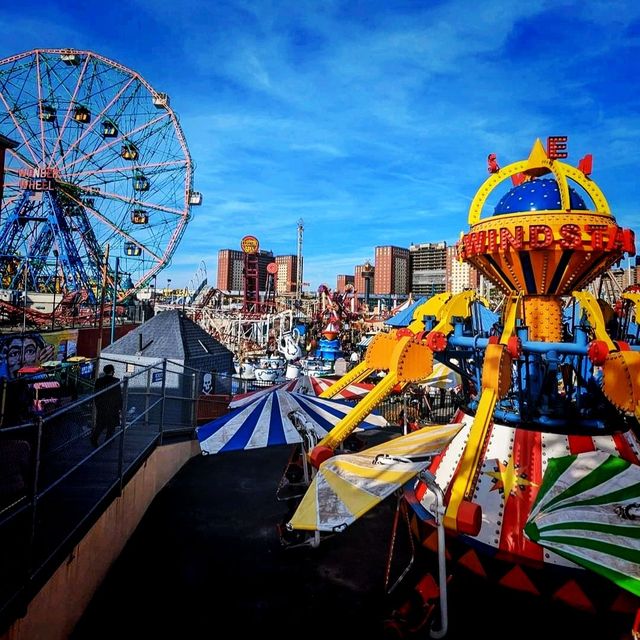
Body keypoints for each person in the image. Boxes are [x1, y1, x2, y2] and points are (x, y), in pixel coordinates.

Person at [90, 364, 122, 447]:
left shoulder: (99, 381)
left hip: (102, 406)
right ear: (112, 371)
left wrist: (98, 404)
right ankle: (108, 442)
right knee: (111, 425)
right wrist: (120, 406)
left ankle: (94, 438)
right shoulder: (116, 380)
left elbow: (96, 394)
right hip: (112, 406)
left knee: (100, 424)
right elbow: (118, 395)